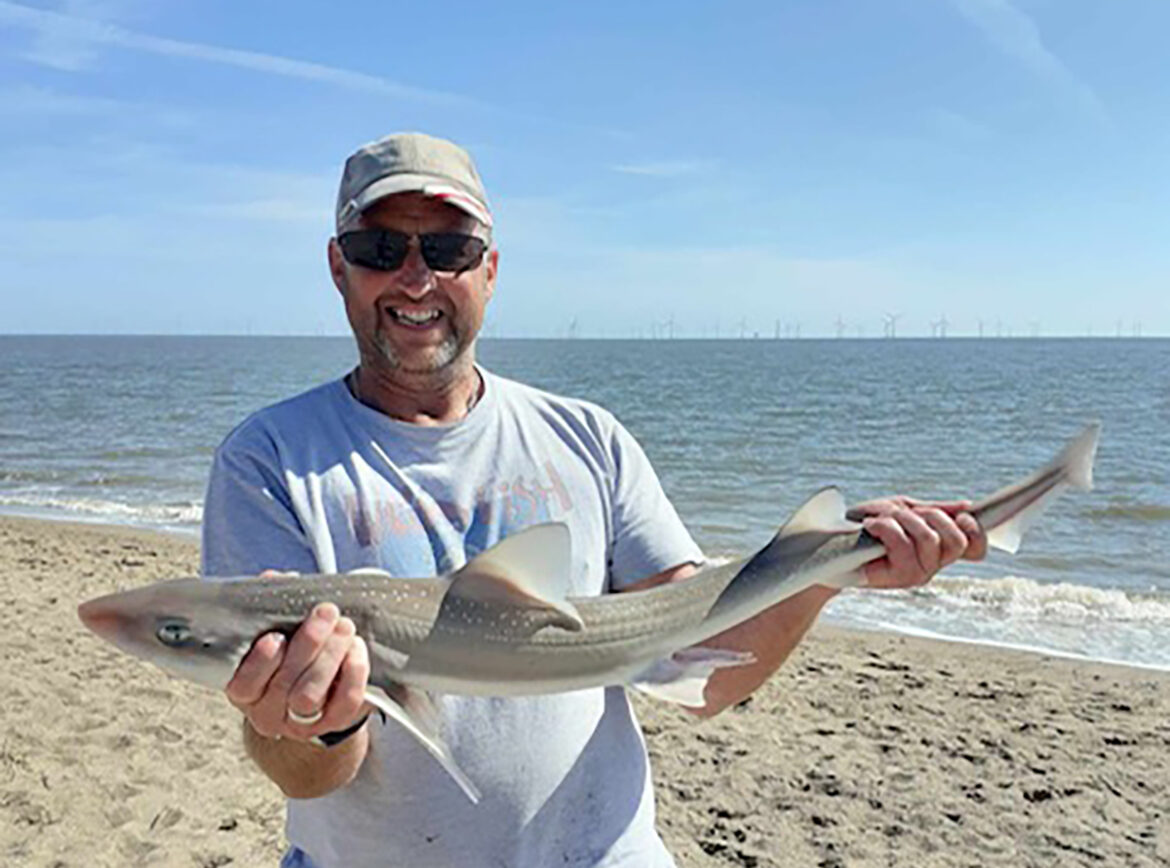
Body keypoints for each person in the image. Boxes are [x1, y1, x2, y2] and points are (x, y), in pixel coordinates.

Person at [201, 132, 987, 868]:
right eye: (382, 249)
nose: (416, 278)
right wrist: (313, 716)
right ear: (338, 267)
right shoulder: (268, 462)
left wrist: (824, 572)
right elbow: (304, 774)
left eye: (448, 249)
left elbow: (704, 673)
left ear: (490, 269)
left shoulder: (588, 439)